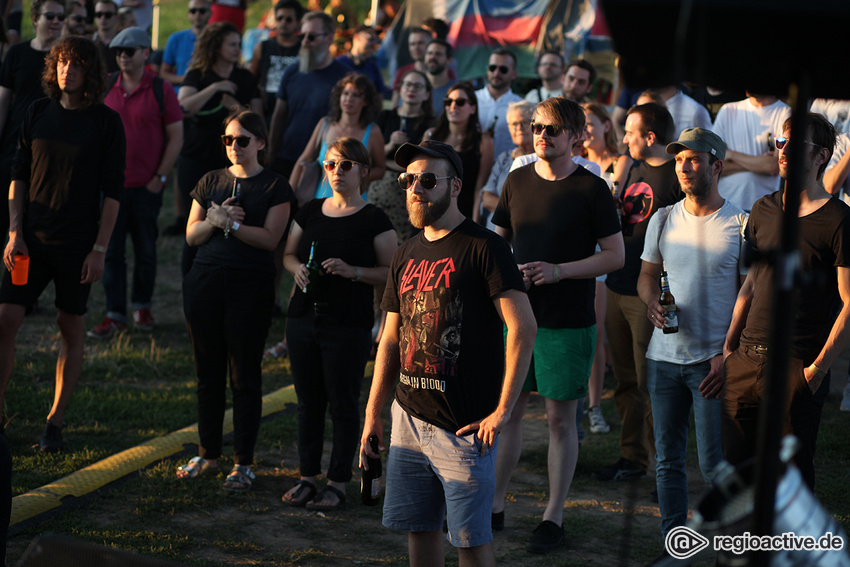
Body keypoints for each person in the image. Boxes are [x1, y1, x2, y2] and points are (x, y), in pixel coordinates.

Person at [360, 139, 536, 566]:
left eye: (427, 179)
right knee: (419, 531)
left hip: (464, 427)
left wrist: (502, 412)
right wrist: (373, 415)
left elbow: (523, 326)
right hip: (407, 418)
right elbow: (390, 338)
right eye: (408, 180)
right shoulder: (405, 252)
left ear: (455, 186)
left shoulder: (485, 247)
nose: (415, 188)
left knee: (471, 543)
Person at [491, 97, 624, 552]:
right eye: (536, 127)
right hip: (519, 317)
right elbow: (500, 242)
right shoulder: (516, 179)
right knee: (507, 412)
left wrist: (558, 270)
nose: (541, 136)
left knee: (558, 420)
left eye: (551, 129)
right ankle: (494, 505)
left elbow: (616, 255)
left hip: (568, 318)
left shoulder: (593, 189)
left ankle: (554, 516)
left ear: (576, 136)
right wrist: (507, 276)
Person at [0, 36, 126, 452]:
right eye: (61, 62)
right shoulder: (37, 110)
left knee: (69, 324)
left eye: (75, 63)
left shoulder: (106, 123)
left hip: (77, 245)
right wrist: (15, 231)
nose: (66, 69)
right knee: (6, 318)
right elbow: (18, 175)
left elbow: (113, 192)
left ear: (90, 71)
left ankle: (54, 421)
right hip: (30, 240)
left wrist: (100, 248)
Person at [722, 113, 850, 489]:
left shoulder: (839, 220)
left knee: (791, 483)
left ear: (821, 156)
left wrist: (817, 371)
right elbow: (749, 285)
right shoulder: (762, 209)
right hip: (745, 362)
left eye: (796, 145)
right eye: (780, 143)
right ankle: (740, 549)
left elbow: (849, 302)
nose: (783, 151)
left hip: (798, 366)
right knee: (737, 478)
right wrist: (730, 347)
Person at [637, 128, 747, 537]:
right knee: (666, 460)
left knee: (713, 463)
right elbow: (648, 276)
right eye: (679, 159)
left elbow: (748, 298)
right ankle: (672, 542)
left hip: (712, 363)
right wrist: (650, 300)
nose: (683, 166)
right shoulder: (663, 217)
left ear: (716, 166)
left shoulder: (740, 222)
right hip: (662, 359)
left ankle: (734, 542)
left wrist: (728, 352)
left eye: (693, 159)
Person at [177, 110, 293, 490]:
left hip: (249, 287)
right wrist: (215, 220)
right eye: (228, 140)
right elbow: (192, 236)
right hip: (204, 282)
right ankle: (208, 453)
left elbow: (270, 239)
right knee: (207, 373)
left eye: (242, 140)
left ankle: (242, 462)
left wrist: (232, 225)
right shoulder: (211, 180)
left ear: (260, 142)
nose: (234, 147)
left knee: (245, 375)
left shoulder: (275, 186)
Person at [281, 137, 396, 510]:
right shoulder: (311, 210)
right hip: (303, 320)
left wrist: (354, 271)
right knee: (308, 403)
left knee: (344, 405)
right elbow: (287, 254)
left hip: (347, 324)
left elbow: (393, 274)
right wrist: (297, 268)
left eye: (345, 165)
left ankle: (337, 483)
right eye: (330, 165)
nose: (336, 172)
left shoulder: (374, 218)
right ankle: (306, 478)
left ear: (364, 171)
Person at [594, 102, 682, 483]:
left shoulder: (677, 177)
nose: (623, 137)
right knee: (626, 381)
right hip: (617, 284)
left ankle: (665, 467)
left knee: (652, 383)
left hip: (648, 292)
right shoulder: (628, 166)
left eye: (630, 132)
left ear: (651, 136)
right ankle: (632, 459)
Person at [88, 27, 184, 339]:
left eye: (129, 51)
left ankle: (142, 305)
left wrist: (160, 178)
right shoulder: (106, 87)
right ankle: (115, 314)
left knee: (145, 249)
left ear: (145, 52)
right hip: (111, 188)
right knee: (111, 250)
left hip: (146, 186)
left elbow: (176, 137)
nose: (123, 57)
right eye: (118, 52)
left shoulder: (161, 89)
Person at [177, 21, 262, 276]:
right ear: (216, 46)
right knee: (195, 225)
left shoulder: (244, 77)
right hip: (196, 159)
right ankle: (191, 282)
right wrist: (215, 88)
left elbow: (257, 120)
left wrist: (233, 103)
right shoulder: (198, 74)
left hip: (234, 164)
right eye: (232, 44)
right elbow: (184, 106)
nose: (238, 49)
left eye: (239, 44)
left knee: (232, 222)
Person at [0, 0, 65, 238]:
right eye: (51, 16)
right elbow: (3, 102)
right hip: (14, 145)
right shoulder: (17, 53)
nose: (57, 22)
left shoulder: (66, 60)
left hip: (52, 149)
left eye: (61, 17)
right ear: (35, 19)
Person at [267, 10, 349, 178]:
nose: (305, 41)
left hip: (324, 164)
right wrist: (271, 152)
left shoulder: (345, 78)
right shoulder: (291, 72)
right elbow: (279, 115)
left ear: (329, 37)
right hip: (286, 157)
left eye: (311, 37)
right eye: (302, 35)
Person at [289, 72, 386, 201]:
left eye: (356, 95)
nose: (349, 99)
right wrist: (288, 194)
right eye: (345, 93)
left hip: (355, 203)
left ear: (366, 102)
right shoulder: (324, 125)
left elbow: (380, 169)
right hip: (321, 200)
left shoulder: (372, 130)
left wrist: (356, 177)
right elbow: (303, 161)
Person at [372, 68, 433, 242]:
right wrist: (390, 145)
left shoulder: (430, 124)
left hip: (410, 193)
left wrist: (387, 162)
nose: (411, 90)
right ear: (400, 89)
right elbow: (368, 157)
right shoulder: (385, 116)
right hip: (380, 192)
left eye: (417, 86)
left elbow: (425, 165)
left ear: (426, 94)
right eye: (407, 85)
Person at [423, 82, 494, 221]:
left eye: (460, 102)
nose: (453, 106)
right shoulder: (431, 137)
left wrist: (475, 222)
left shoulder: (484, 141)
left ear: (473, 108)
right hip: (432, 210)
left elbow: (479, 189)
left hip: (463, 212)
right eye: (448, 102)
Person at [712, 92, 790, 211]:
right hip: (725, 206)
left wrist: (731, 155)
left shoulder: (785, 112)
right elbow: (713, 166)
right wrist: (760, 163)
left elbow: (774, 166)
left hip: (764, 208)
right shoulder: (727, 110)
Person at [478, 100, 533, 231]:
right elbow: (486, 198)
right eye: (514, 124)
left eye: (524, 122)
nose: (519, 128)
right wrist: (517, 212)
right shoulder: (504, 158)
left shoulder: (543, 161)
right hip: (495, 234)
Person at [249, 0, 303, 120]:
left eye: (289, 19)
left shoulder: (304, 50)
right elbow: (252, 81)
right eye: (279, 18)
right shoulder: (262, 48)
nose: (283, 23)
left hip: (295, 113)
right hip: (266, 113)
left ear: (298, 23)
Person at [475, 48, 523, 158]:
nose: (497, 73)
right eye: (493, 68)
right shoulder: (471, 99)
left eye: (503, 69)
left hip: (504, 168)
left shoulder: (519, 106)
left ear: (514, 74)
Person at [160, 0, 212, 88]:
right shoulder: (175, 39)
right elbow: (163, 73)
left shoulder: (217, 40)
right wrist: (188, 79)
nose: (197, 14)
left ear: (210, 13)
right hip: (180, 95)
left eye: (202, 11)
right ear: (188, 13)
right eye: (193, 11)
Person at [336, 25, 386, 99]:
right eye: (370, 39)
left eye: (376, 40)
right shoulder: (339, 63)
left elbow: (379, 94)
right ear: (356, 37)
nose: (374, 43)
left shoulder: (373, 65)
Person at [389, 27, 435, 108]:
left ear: (430, 44)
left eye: (420, 43)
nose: (416, 48)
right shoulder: (402, 72)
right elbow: (394, 104)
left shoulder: (442, 72)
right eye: (412, 44)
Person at [423, 38, 455, 116]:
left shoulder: (455, 92)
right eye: (429, 53)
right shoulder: (412, 87)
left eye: (438, 54)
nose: (432, 57)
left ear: (449, 60)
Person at [92, 0, 120, 73]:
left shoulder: (124, 43)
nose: (103, 18)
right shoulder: (88, 42)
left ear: (117, 17)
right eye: (99, 14)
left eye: (108, 15)